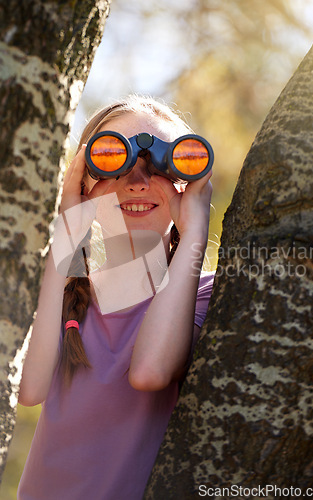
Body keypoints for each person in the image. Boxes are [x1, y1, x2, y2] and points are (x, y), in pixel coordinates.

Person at [17, 95, 215, 500]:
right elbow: (28, 388)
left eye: (160, 165)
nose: (137, 181)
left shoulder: (207, 293)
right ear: (83, 180)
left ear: (188, 181)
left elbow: (150, 371)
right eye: (114, 159)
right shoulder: (68, 294)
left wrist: (195, 230)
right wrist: (68, 226)